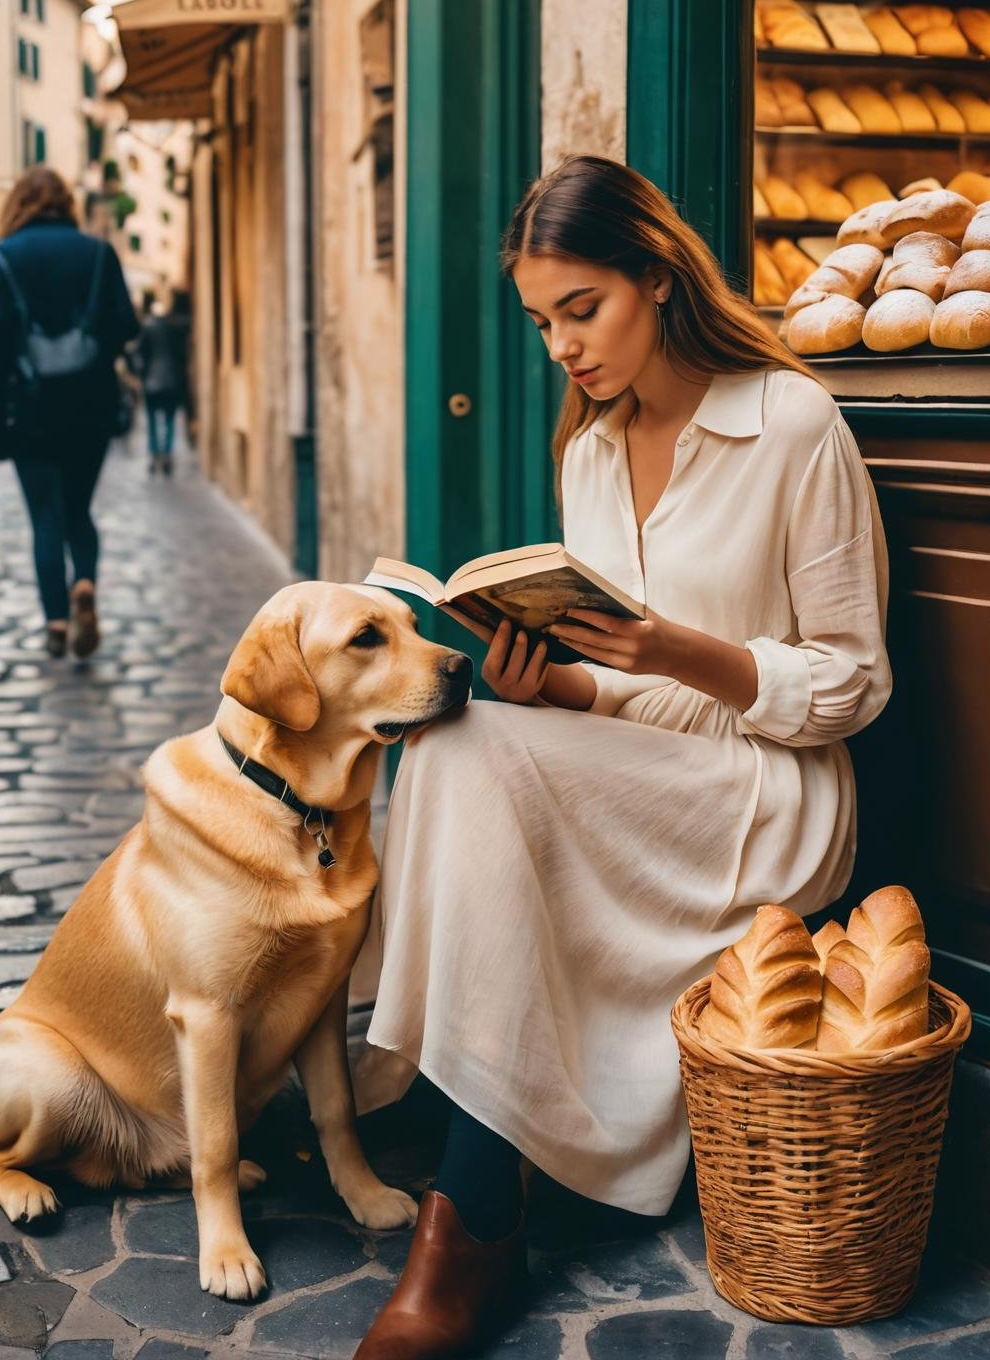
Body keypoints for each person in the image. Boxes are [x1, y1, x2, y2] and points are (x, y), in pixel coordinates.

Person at [353, 155, 892, 1359]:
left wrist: (678, 652)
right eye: (542, 322)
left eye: (581, 310)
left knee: (482, 763)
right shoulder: (591, 448)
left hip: (773, 790)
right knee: (456, 739)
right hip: (648, 769)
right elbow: (622, 686)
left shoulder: (790, 423)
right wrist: (562, 681)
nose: (562, 348)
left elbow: (854, 683)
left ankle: (474, 1210)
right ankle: (474, 1147)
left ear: (655, 277)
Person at [0, 168, 138, 659]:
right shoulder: (97, 253)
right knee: (79, 510)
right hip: (91, 404)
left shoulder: (2, 257)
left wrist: (12, 367)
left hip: (29, 408)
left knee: (44, 515)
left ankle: (56, 623)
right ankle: (84, 582)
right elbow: (126, 325)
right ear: (66, 202)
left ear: (18, 203)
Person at [133, 292, 190, 474]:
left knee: (152, 420)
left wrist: (141, 375)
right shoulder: (173, 329)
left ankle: (154, 452)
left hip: (152, 382)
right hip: (171, 380)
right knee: (169, 419)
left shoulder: (147, 328)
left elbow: (141, 355)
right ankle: (166, 452)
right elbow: (182, 356)